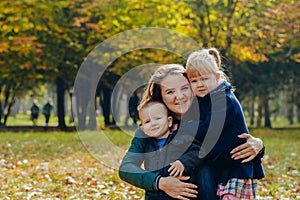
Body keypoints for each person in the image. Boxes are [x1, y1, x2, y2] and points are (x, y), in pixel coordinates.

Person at [119, 64, 264, 199]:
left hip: (214, 190)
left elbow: (233, 142)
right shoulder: (152, 127)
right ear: (161, 97)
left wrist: (259, 145)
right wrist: (161, 182)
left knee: (202, 163)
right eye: (170, 92)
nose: (180, 96)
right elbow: (126, 168)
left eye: (185, 88)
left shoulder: (210, 116)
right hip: (165, 196)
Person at [185, 48, 265, 199]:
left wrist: (184, 127)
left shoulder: (223, 99)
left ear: (216, 77)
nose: (200, 84)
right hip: (225, 165)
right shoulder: (206, 99)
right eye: (194, 81)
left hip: (238, 167)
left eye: (204, 79)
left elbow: (208, 128)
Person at [131, 99, 203, 199]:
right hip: (155, 195)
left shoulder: (180, 138)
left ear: (169, 121)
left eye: (158, 118)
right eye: (147, 121)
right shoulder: (147, 145)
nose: (153, 123)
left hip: (181, 193)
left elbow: (198, 151)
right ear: (143, 129)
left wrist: (183, 162)